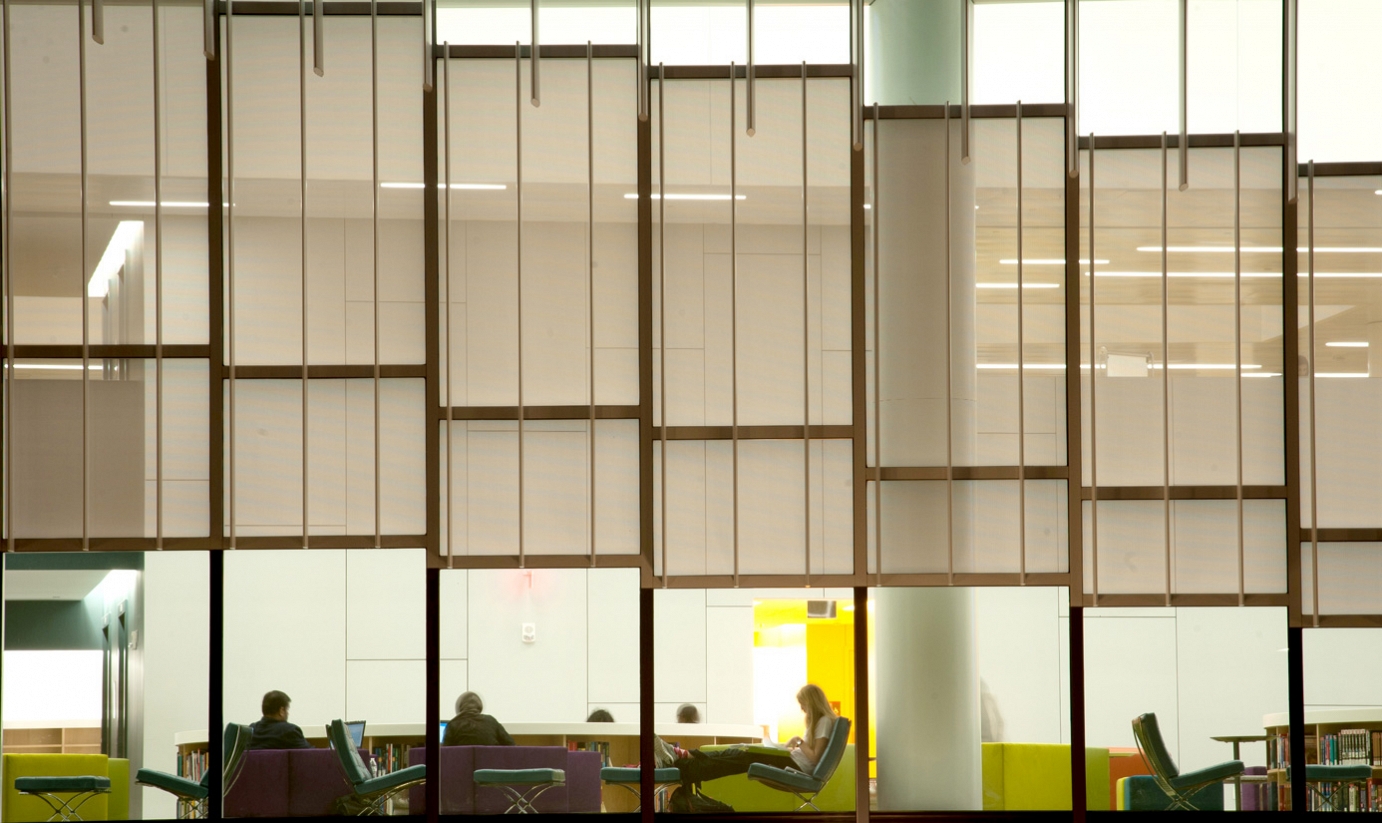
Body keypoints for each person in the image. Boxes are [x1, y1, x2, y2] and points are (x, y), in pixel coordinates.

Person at [785, 684, 838, 772]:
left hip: (798, 765)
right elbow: (807, 752)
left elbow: (815, 758)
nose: (801, 708)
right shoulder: (818, 722)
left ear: (812, 703)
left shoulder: (824, 722)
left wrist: (799, 741)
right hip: (796, 761)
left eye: (803, 704)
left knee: (757, 758)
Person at [248, 690, 314, 750]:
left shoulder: (250, 730)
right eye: (287, 709)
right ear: (281, 711)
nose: (288, 713)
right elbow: (311, 755)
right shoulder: (289, 730)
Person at [442, 692, 515, 746]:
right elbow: (511, 746)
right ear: (480, 707)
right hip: (490, 765)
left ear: (459, 707)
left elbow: (445, 755)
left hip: (462, 766)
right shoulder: (491, 721)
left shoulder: (453, 725)